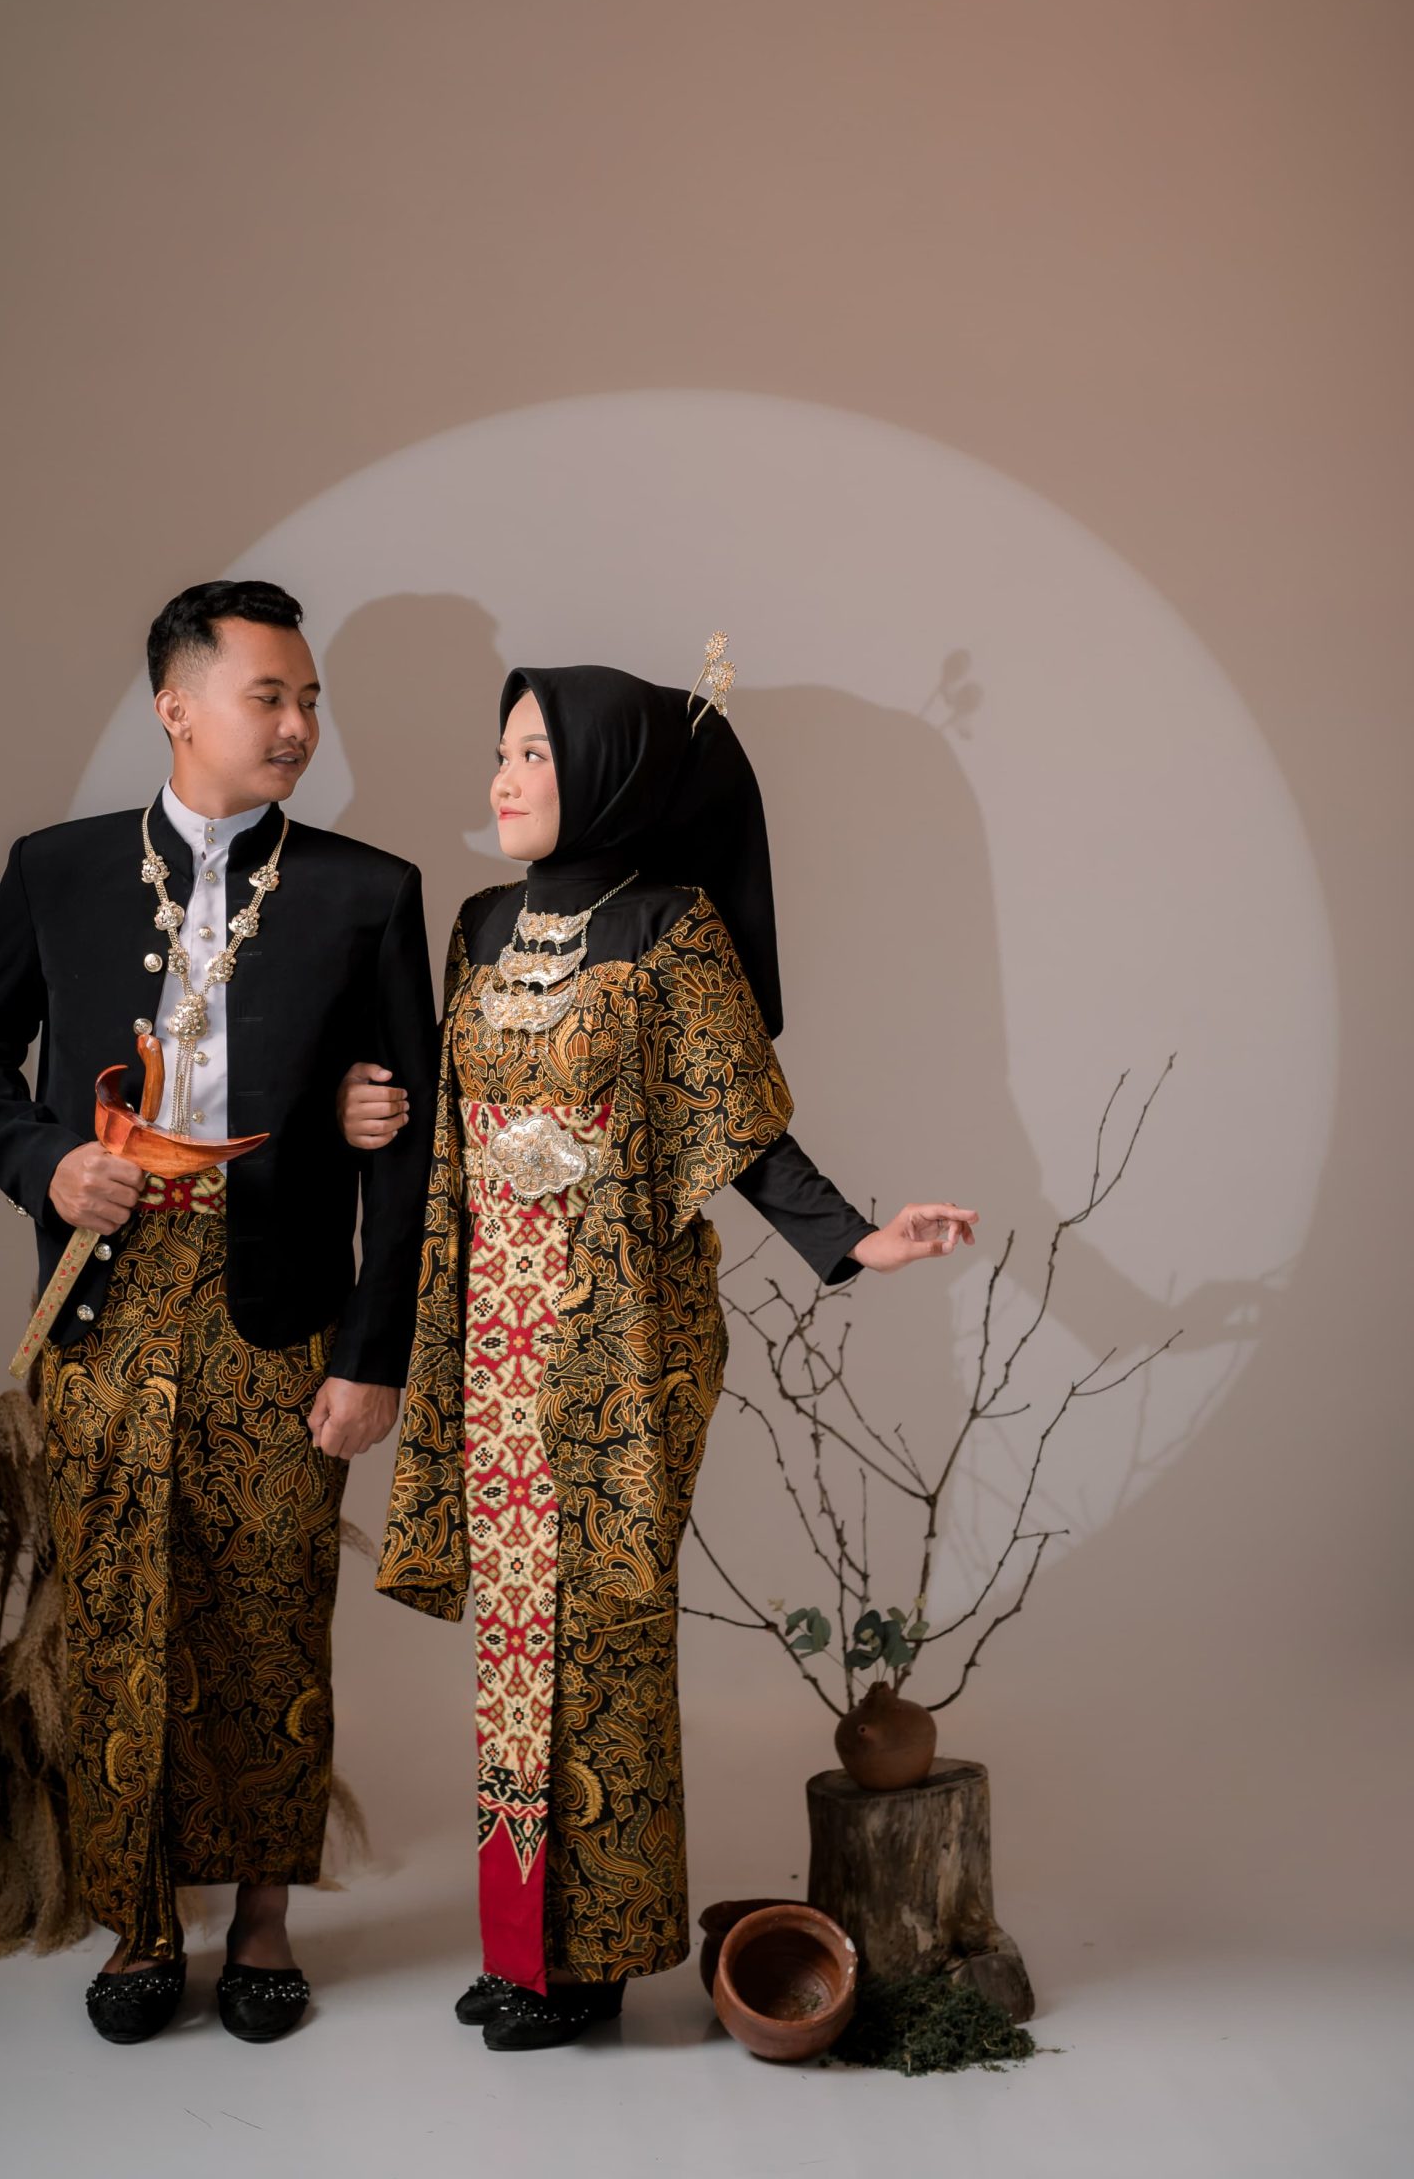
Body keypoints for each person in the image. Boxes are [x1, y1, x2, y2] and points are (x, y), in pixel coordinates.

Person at [345, 653, 976, 2052]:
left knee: (605, 1640)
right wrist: (361, 1112)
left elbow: (738, 1126)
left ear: (608, 769)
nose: (506, 778)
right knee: (518, 1645)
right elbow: (443, 1120)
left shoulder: (669, 932)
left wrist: (860, 1240)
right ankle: (522, 1944)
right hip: (494, 1343)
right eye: (502, 752)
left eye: (535, 753)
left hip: (618, 1347)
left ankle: (595, 1960)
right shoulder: (478, 926)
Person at [0, 579, 435, 2045]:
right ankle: (139, 1922)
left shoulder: (367, 890)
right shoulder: (58, 870)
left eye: (309, 699)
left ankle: (265, 1918)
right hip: (107, 1303)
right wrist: (47, 1163)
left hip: (279, 1308)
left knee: (275, 1614)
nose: (297, 725)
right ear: (177, 706)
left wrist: (373, 1355)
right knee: (117, 1616)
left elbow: (409, 1152)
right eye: (268, 696)